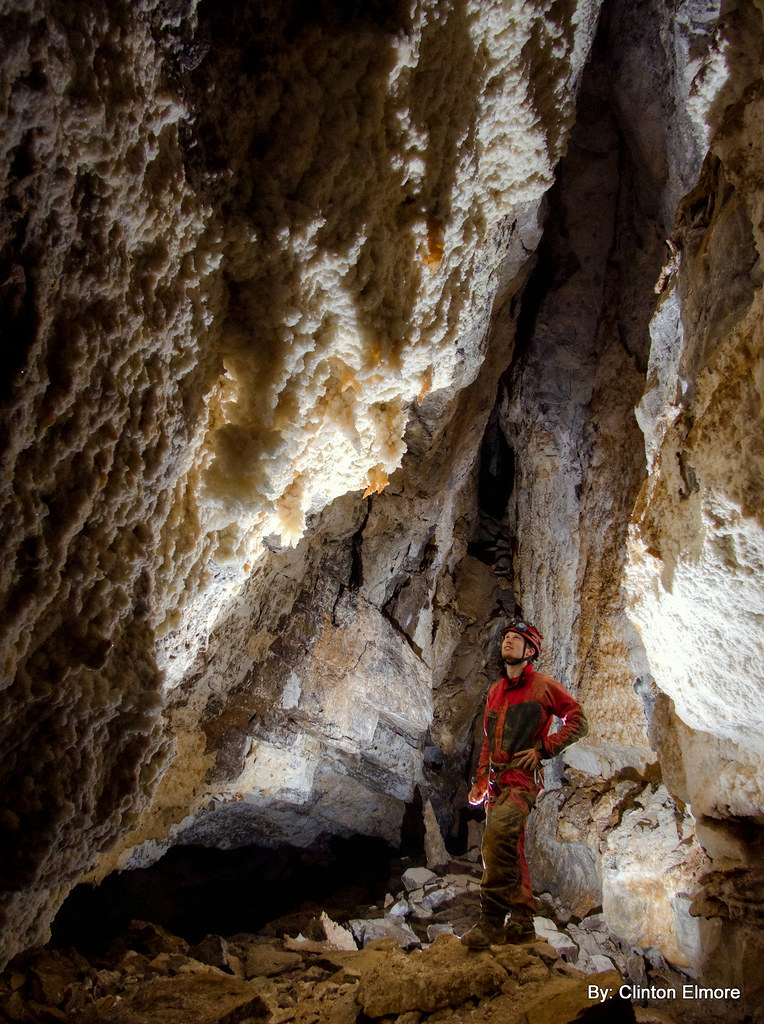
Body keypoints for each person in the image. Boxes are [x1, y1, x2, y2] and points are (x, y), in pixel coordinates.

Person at [461, 619, 588, 949]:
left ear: (530, 651)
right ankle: (521, 922)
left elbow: (578, 720)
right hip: (497, 783)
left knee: (495, 839)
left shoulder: (543, 686)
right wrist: (481, 779)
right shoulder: (495, 691)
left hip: (522, 780)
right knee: (510, 849)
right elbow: (489, 740)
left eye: (516, 639)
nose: (508, 643)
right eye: (506, 638)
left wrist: (545, 748)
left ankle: (490, 921)